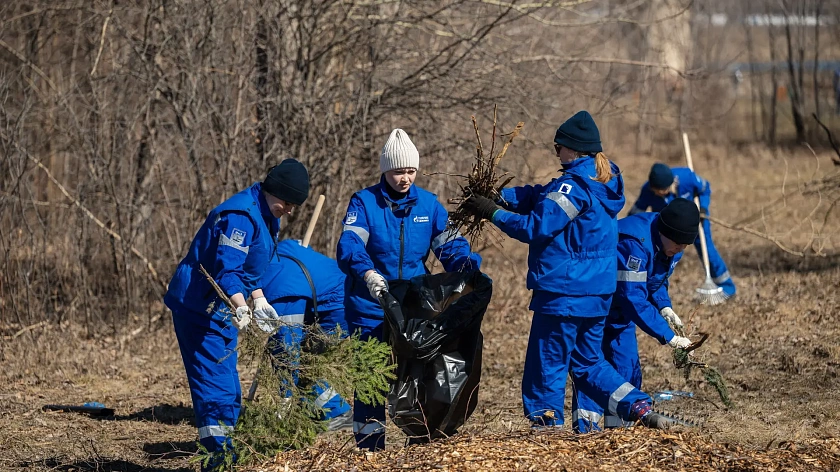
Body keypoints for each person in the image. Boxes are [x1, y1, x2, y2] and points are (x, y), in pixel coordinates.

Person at [461, 111, 680, 430]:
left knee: (545, 368)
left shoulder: (573, 186)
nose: (556, 153)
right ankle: (642, 409)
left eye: (558, 147)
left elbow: (536, 226)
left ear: (574, 149)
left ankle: (545, 436)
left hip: (563, 295)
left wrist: (491, 212)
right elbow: (542, 196)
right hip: (596, 297)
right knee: (591, 364)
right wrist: (503, 196)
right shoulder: (603, 180)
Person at [336, 128, 482, 451]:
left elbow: (450, 246)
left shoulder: (428, 206)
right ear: (385, 169)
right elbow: (349, 244)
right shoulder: (364, 203)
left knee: (417, 378)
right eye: (399, 170)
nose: (405, 178)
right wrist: (368, 273)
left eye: (411, 171)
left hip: (413, 311)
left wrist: (467, 266)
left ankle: (420, 443)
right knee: (371, 380)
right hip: (370, 308)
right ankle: (370, 448)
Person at [163, 159, 309, 470]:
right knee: (216, 390)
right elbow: (226, 269)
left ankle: (228, 458)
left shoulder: (268, 214)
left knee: (230, 388)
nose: (290, 210)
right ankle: (218, 462)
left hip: (222, 311)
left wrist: (258, 300)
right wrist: (242, 305)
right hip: (199, 309)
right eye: (288, 202)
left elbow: (249, 268)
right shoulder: (240, 216)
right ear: (275, 192)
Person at [572, 198, 698, 432]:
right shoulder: (633, 244)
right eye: (677, 244)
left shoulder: (672, 246)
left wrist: (664, 307)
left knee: (627, 369)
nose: (679, 250)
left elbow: (655, 279)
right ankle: (586, 431)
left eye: (684, 247)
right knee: (593, 372)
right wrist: (667, 335)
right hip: (595, 312)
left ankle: (618, 432)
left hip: (621, 317)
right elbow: (633, 297)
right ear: (665, 232)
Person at [258, 238, 352, 431]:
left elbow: (286, 346)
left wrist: (285, 395)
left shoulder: (277, 282)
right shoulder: (277, 250)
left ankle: (336, 412)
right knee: (298, 357)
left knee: (298, 360)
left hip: (338, 305)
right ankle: (315, 410)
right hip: (331, 297)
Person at [628, 163, 735, 298]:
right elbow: (637, 210)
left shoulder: (687, 178)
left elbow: (705, 188)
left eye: (661, 190)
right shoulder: (648, 189)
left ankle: (727, 286)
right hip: (668, 232)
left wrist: (703, 208)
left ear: (670, 184)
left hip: (695, 222)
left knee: (707, 250)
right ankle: (653, 290)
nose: (657, 194)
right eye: (655, 190)